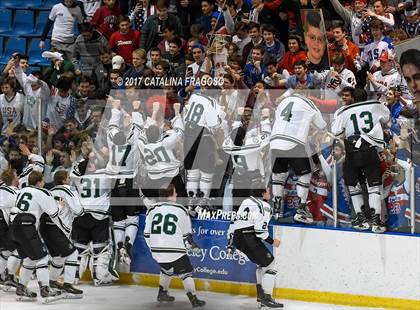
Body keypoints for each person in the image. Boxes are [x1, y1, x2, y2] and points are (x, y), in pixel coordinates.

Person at [331, 89, 390, 233]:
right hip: (369, 148)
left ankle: (360, 219)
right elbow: (387, 118)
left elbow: (336, 131)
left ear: (353, 98)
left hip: (351, 149)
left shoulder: (344, 111)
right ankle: (376, 221)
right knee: (374, 187)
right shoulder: (375, 105)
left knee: (353, 187)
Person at [144, 183, 205, 308]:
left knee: (166, 269)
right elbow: (186, 235)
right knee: (186, 273)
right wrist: (192, 246)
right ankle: (193, 299)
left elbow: (146, 234)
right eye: (175, 192)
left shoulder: (152, 209)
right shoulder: (181, 209)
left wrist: (154, 248)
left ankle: (162, 293)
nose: (177, 194)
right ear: (171, 195)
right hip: (174, 250)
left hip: (156, 250)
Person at [270, 91, 327, 223]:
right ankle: (301, 209)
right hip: (293, 141)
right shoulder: (309, 104)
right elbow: (322, 126)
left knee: (278, 174)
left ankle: (276, 207)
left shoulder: (284, 102)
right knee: (305, 174)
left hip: (275, 141)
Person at [9, 171, 63, 302]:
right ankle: (45, 289)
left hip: (13, 226)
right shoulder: (42, 192)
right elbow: (54, 213)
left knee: (29, 259)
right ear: (39, 182)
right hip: (26, 225)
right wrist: (60, 206)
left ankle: (21, 288)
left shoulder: (22, 190)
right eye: (43, 181)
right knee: (43, 257)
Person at [227, 186, 283, 308]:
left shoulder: (246, 201)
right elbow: (260, 231)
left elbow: (234, 222)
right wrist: (273, 241)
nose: (271, 194)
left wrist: (230, 243)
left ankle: (260, 296)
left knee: (261, 264)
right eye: (269, 192)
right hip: (250, 238)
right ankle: (266, 298)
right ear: (263, 194)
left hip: (238, 239)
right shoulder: (265, 206)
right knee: (270, 265)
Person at [42, 170, 84, 297]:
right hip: (56, 227)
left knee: (59, 257)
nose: (70, 180)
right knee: (73, 253)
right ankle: (68, 285)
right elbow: (78, 211)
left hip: (44, 226)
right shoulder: (69, 189)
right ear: (64, 180)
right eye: (68, 178)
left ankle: (52, 282)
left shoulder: (51, 190)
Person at [222, 108, 271, 210]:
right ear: (244, 139)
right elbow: (266, 135)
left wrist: (238, 117)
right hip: (253, 178)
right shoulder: (252, 145)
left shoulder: (228, 145)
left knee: (238, 209)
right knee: (256, 209)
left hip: (238, 178)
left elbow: (235, 132)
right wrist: (265, 118)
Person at [0, 169, 21, 290]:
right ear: (13, 179)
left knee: (6, 252)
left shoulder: (1, 188)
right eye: (16, 175)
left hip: (2, 225)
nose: (18, 177)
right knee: (19, 249)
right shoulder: (15, 193)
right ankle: (10, 277)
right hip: (2, 225)